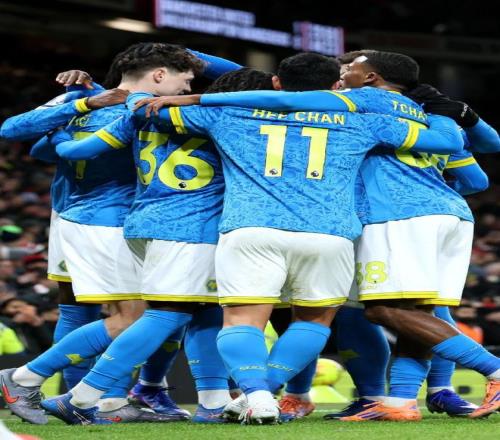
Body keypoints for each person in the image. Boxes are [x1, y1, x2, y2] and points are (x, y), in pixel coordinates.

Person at [167, 50, 500, 420]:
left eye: (349, 69)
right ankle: (411, 397)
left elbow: (274, 92)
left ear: (368, 78)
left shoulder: (356, 106)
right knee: (416, 308)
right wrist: (460, 117)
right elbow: (477, 170)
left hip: (381, 216)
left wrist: (189, 83)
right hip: (438, 214)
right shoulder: (419, 112)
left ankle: (287, 393)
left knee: (379, 310)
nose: (343, 75)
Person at [0, 42, 205, 425]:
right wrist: (84, 104)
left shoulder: (83, 98)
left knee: (83, 311)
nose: (186, 89)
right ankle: (59, 389)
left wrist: (79, 109)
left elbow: (39, 147)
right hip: (107, 222)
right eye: (185, 80)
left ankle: (90, 401)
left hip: (71, 215)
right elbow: (15, 132)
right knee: (135, 316)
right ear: (160, 74)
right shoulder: (135, 108)